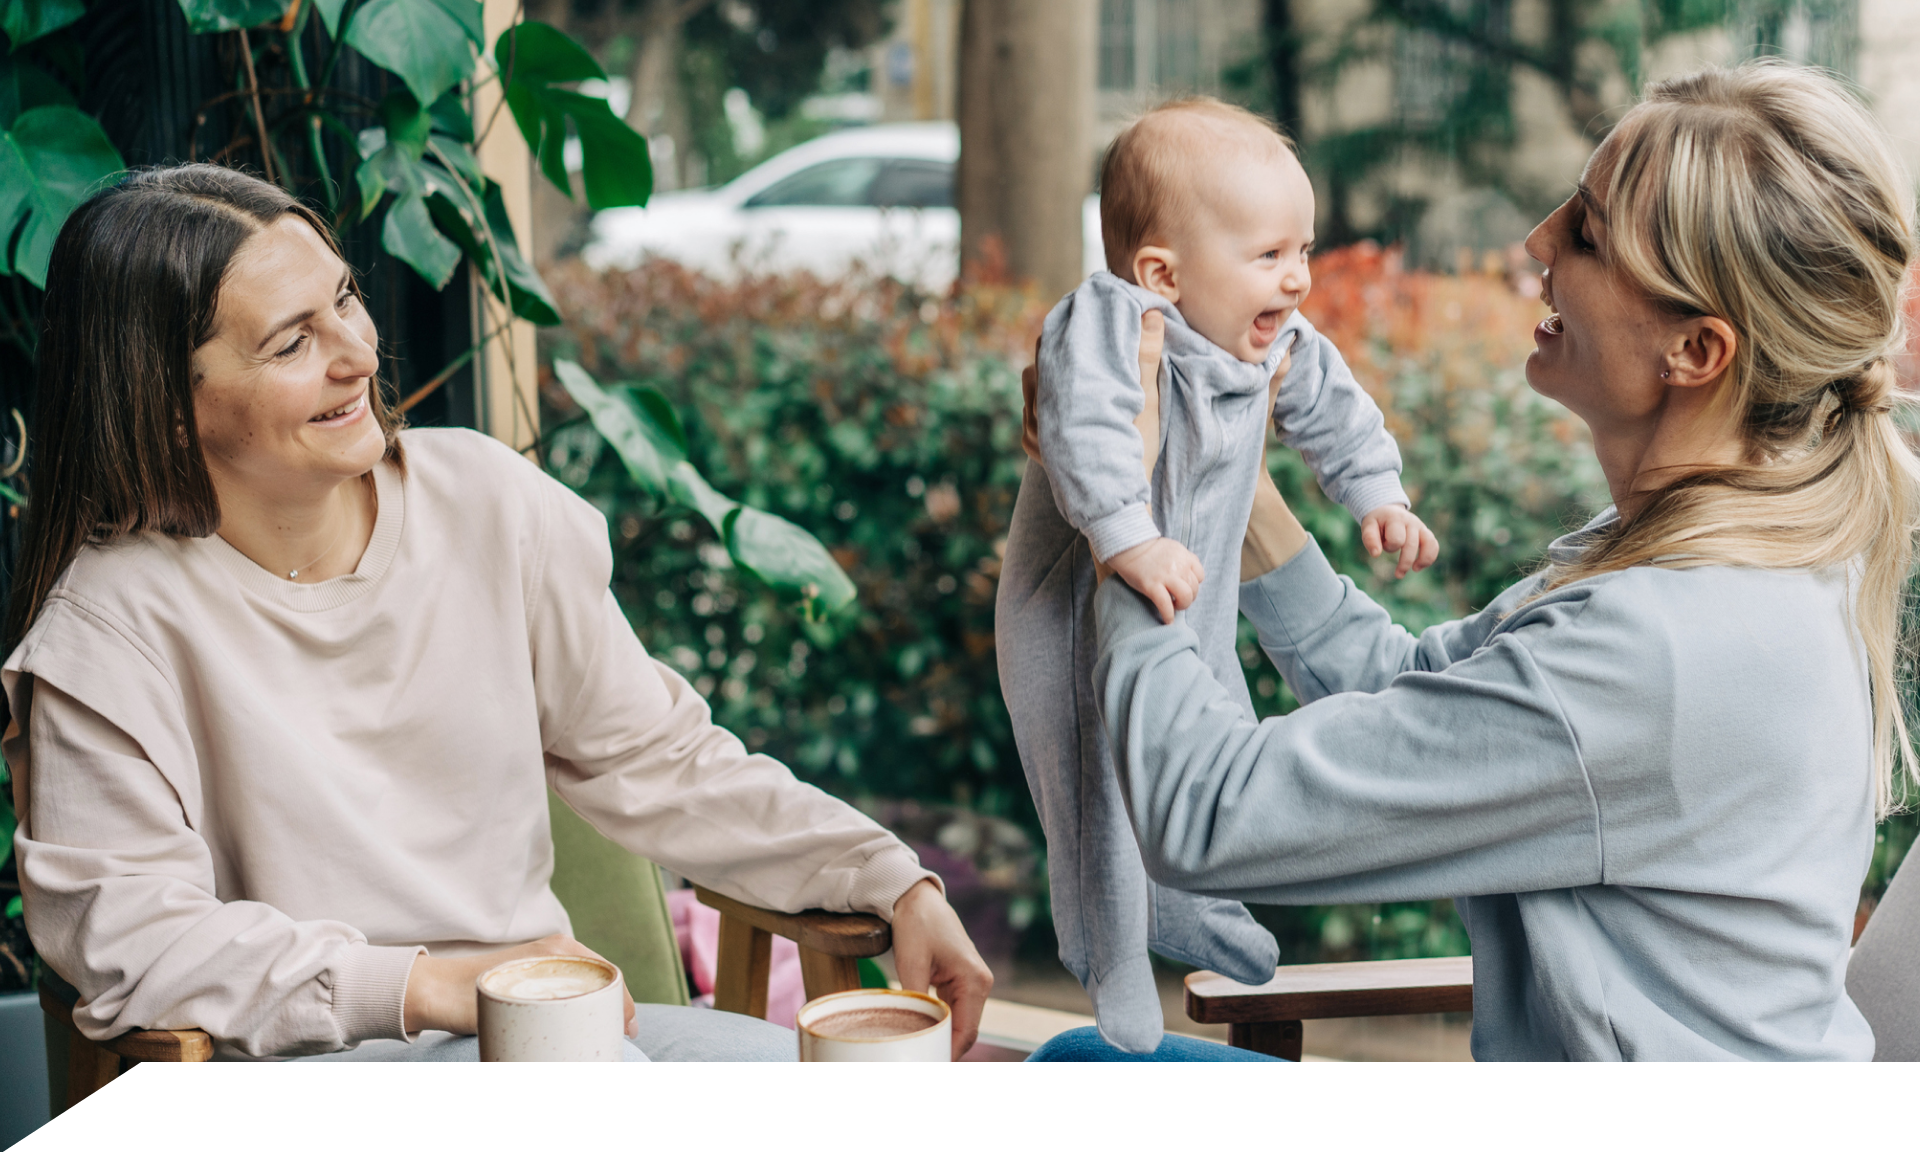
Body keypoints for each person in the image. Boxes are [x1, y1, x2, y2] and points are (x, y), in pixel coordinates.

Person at [4, 164, 991, 1062]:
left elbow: (660, 761)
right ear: (171, 405)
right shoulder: (111, 630)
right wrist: (434, 985)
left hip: (547, 1032)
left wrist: (885, 877)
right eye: (292, 340)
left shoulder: (484, 501)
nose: (357, 352)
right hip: (321, 1049)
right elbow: (131, 934)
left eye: (344, 298)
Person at [1034, 61, 1917, 1060]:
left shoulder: (1658, 648)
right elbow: (1428, 696)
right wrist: (1225, 470)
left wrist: (1130, 519)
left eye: (1585, 231)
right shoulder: (1729, 554)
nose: (1536, 241)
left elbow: (1205, 813)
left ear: (1697, 351)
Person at [997, 97, 1436, 1052]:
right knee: (1090, 776)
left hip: (1192, 592)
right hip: (1079, 595)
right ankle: (1109, 952)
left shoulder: (1269, 343)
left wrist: (1379, 497)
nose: (1301, 280)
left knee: (1214, 734)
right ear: (1162, 272)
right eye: (1272, 255)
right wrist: (1124, 533)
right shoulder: (1109, 322)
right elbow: (1088, 432)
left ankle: (1186, 903)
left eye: (1305, 251)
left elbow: (1335, 411)